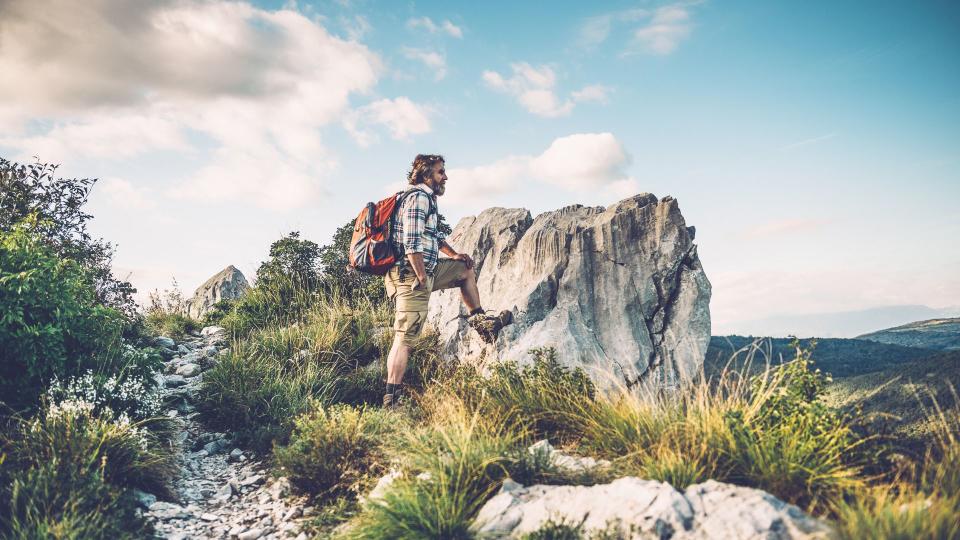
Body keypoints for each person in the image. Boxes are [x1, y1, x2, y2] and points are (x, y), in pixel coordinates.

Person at [382, 154, 512, 407]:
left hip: (427, 270)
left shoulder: (426, 199)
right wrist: (421, 276)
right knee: (405, 337)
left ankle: (481, 322)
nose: (445, 176)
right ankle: (391, 398)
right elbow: (412, 242)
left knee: (464, 270)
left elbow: (433, 235)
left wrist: (453, 255)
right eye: (441, 172)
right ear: (425, 174)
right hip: (411, 275)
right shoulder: (418, 198)